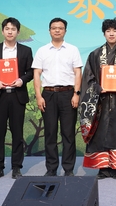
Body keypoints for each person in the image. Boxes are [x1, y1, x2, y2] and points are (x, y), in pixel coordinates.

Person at [79, 18, 116, 180]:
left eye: (115, 31)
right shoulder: (95, 55)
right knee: (100, 133)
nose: (111, 34)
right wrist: (98, 89)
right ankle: (103, 167)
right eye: (108, 31)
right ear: (104, 33)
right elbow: (88, 78)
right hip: (100, 102)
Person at [0, 17, 34, 179]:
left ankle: (17, 167)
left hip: (17, 96)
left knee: (17, 133)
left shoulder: (26, 51)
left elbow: (31, 72)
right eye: (7, 29)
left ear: (18, 32)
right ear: (2, 31)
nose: (10, 32)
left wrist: (22, 80)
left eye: (13, 29)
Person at [32, 17, 83, 177]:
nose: (57, 30)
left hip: (68, 94)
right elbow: (36, 74)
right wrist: (39, 96)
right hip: (48, 95)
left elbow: (78, 72)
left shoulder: (72, 50)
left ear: (65, 31)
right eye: (54, 28)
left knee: (68, 133)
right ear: (49, 31)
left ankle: (68, 169)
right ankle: (51, 168)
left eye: (60, 28)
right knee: (50, 133)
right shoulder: (42, 51)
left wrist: (76, 94)